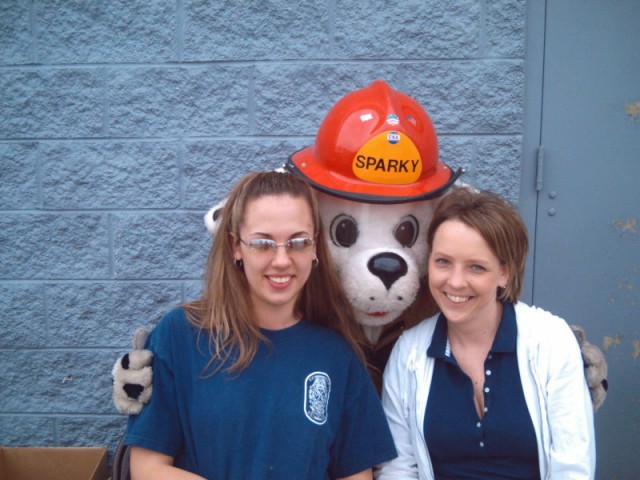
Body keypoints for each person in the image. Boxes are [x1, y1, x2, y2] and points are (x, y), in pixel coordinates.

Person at [124, 171, 397, 480]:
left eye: (297, 242)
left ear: (315, 247)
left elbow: (356, 474)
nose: (281, 260)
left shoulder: (337, 355)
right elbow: (147, 468)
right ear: (236, 246)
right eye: (263, 243)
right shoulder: (179, 336)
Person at [375, 188, 595, 479]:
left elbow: (572, 468)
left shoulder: (551, 341)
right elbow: (397, 468)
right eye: (443, 261)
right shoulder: (409, 352)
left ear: (504, 273)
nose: (455, 282)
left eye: (476, 267)